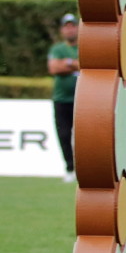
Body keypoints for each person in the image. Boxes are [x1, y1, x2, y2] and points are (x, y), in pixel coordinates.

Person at [47, 13, 80, 182]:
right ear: (62, 30)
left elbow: (88, 64)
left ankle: (83, 169)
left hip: (83, 100)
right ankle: (69, 168)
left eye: (73, 26)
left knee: (83, 136)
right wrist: (74, 63)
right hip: (62, 99)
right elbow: (54, 68)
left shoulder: (84, 46)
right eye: (66, 26)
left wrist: (67, 63)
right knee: (64, 135)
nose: (70, 29)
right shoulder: (57, 49)